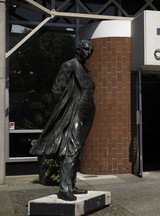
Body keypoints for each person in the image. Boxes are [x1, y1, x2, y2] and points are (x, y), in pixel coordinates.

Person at [30, 40, 95, 201]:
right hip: (73, 112)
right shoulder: (69, 65)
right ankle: (64, 189)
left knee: (78, 150)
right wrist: (62, 112)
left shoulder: (86, 70)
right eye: (86, 49)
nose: (89, 52)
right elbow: (57, 90)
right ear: (78, 49)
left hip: (86, 114)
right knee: (71, 149)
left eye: (91, 50)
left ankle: (71, 185)